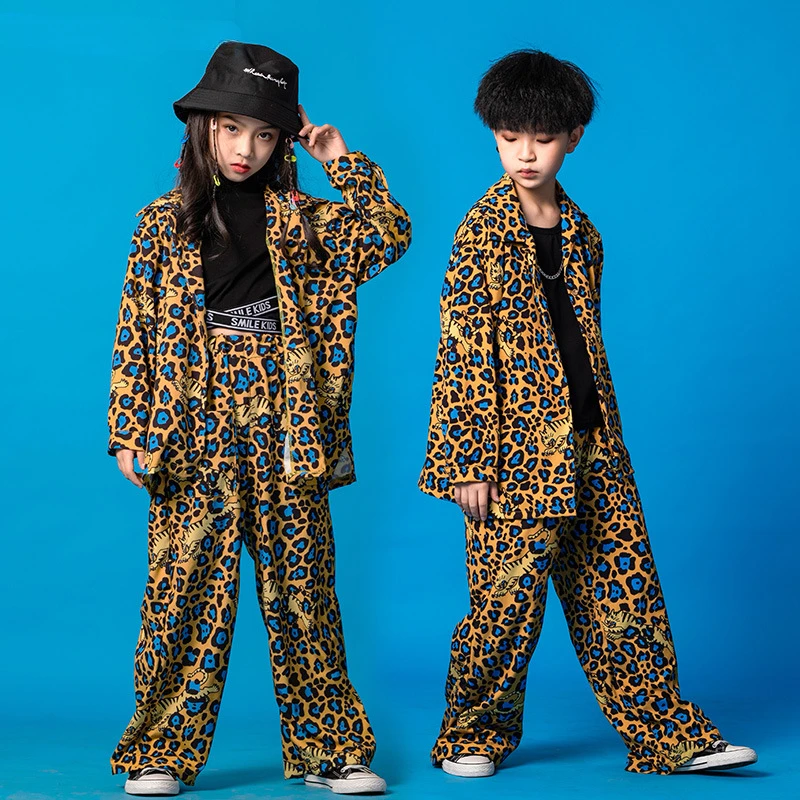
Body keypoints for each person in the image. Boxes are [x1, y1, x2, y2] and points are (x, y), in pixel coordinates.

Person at [418, 49, 755, 779]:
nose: (525, 153)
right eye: (509, 137)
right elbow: (462, 348)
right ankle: (471, 735)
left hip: (594, 442)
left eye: (542, 138)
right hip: (513, 454)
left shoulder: (583, 233)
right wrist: (467, 459)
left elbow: (582, 343)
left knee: (625, 594)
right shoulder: (480, 231)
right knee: (504, 605)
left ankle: (667, 735)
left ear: (573, 137)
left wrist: (604, 435)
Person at [107, 41, 410, 797]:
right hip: (191, 420)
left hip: (288, 417)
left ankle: (333, 750)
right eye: (232, 128)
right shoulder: (160, 224)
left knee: (304, 590)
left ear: (284, 141)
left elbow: (389, 233)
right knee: (182, 590)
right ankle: (159, 751)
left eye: (266, 134)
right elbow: (133, 331)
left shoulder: (304, 220)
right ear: (204, 126)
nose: (246, 148)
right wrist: (127, 429)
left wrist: (339, 158)